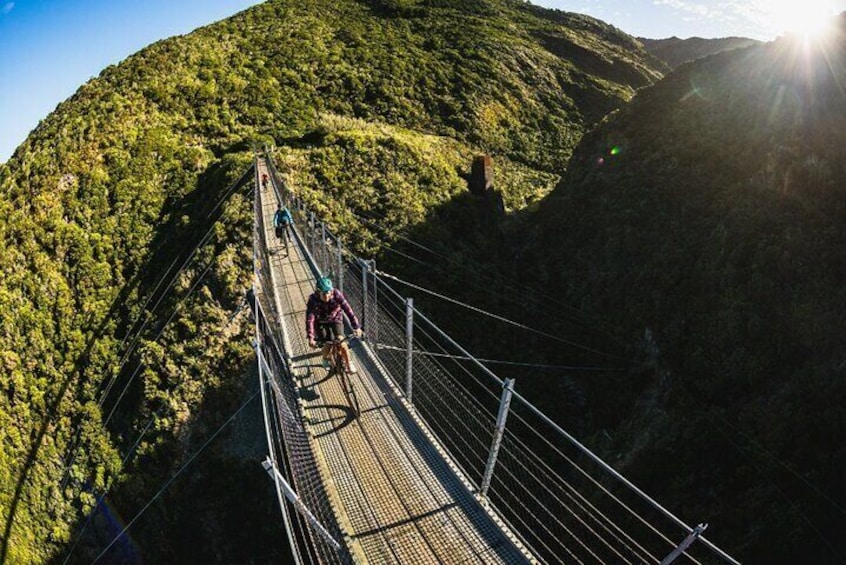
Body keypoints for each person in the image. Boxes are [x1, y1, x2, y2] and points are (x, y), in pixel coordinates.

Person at [306, 276, 362, 373]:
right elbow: (310, 318)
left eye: (328, 293)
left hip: (335, 319)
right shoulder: (313, 299)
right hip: (320, 322)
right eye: (324, 294)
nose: (327, 296)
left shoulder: (336, 294)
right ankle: (325, 358)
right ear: (318, 292)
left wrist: (356, 326)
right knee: (327, 343)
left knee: (342, 341)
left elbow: (348, 310)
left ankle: (348, 363)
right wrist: (310, 336)